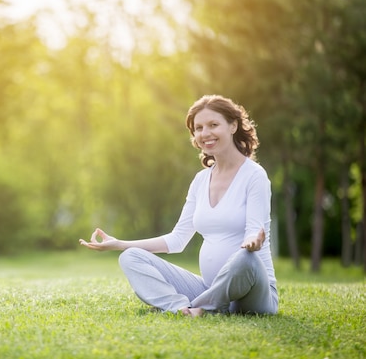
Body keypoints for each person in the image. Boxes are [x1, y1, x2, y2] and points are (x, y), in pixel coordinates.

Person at [79, 95, 278, 317]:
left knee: (245, 258)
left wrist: (252, 241)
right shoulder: (201, 180)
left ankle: (205, 308)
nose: (205, 133)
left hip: (253, 294)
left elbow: (254, 229)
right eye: (199, 128)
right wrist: (119, 244)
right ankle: (183, 308)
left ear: (233, 126)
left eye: (213, 125)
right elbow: (177, 240)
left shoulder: (254, 175)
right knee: (131, 256)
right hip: (210, 288)